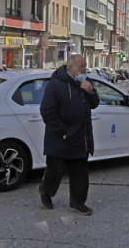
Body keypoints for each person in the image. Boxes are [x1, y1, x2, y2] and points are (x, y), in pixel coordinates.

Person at [38, 54, 100, 215]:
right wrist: (63, 132)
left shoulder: (85, 82)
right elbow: (47, 111)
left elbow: (94, 104)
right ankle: (46, 190)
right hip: (61, 137)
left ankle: (78, 202)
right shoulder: (56, 84)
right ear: (70, 67)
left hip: (81, 136)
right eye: (81, 66)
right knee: (55, 170)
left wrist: (91, 91)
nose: (84, 69)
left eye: (85, 66)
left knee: (80, 172)